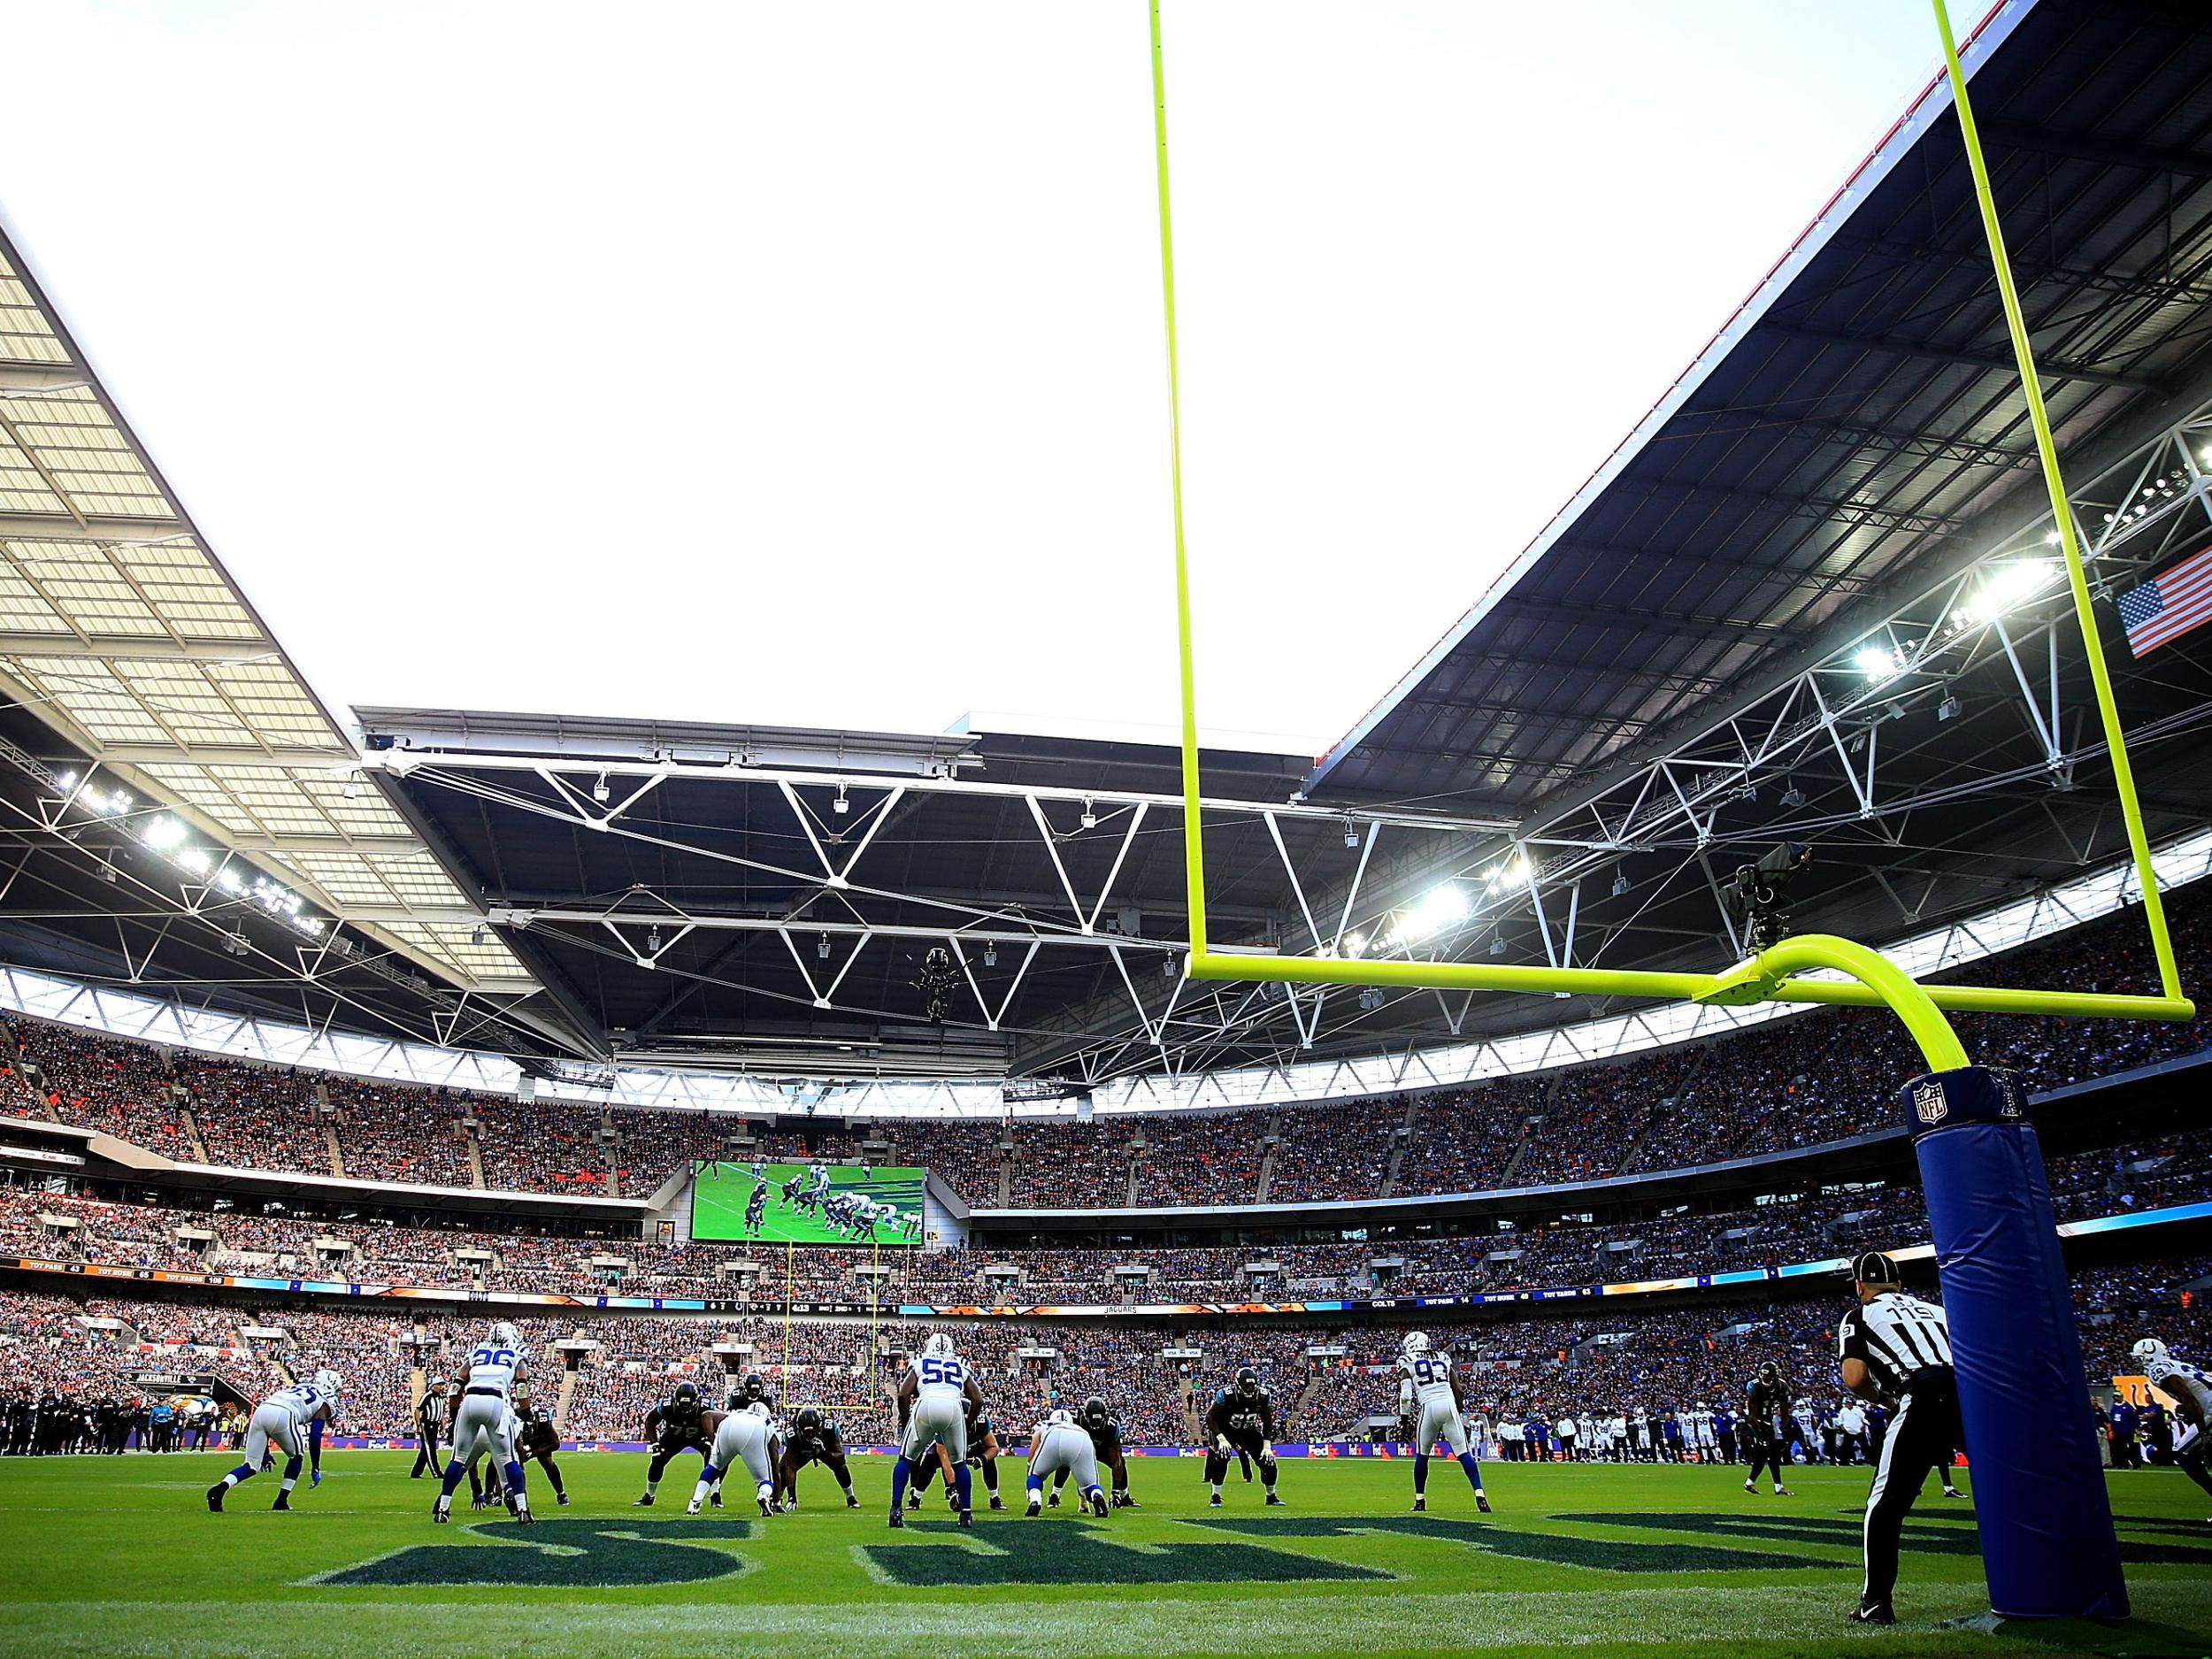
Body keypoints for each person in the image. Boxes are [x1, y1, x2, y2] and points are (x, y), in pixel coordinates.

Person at [1838, 1250, 1962, 1626]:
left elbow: (1855, 1377)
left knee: (1885, 1504)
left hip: (1922, 1395)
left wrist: (1886, 1398)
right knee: (2010, 1488)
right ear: (1900, 1284)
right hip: (1971, 1394)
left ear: (1861, 1286)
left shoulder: (1858, 1316)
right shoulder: (1939, 1309)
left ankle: (1875, 1602)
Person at [434, 1320, 532, 1525]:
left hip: (470, 1400)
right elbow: (521, 1384)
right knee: (508, 1458)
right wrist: (526, 1411)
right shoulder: (517, 1352)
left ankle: (443, 1509)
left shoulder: (477, 1351)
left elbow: (456, 1385)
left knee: (458, 1459)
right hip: (496, 1400)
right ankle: (523, 1510)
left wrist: (453, 1416)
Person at [205, 1370, 341, 1513]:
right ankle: (281, 1501)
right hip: (284, 1413)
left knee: (251, 1465)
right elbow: (315, 1434)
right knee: (297, 1456)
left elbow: (271, 1416)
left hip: (262, 1410)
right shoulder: (327, 1398)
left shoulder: (300, 1386)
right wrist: (315, 1467)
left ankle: (220, 1489)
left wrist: (265, 1450)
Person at [890, 1331, 984, 1527]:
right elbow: (977, 1399)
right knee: (959, 1464)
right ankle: (966, 1515)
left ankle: (896, 1510)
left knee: (906, 1459)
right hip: (953, 1406)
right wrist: (967, 1423)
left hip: (926, 1404)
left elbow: (903, 1395)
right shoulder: (961, 1364)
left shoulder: (920, 1361)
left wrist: (907, 1419)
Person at [1395, 1333, 1490, 1513]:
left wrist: (1405, 1421)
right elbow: (1458, 1389)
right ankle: (1480, 1495)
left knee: (1422, 1455)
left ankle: (1420, 1501)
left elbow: (1406, 1396)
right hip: (1448, 1405)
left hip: (1429, 1406)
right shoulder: (1443, 1356)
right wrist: (1458, 1411)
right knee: (1463, 1453)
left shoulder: (1406, 1360)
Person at [2133, 1338, 2212, 1516]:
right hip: (2209, 1406)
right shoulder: (2175, 1363)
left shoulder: (2157, 1369)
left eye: (2139, 1358)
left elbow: (2187, 1396)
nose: (2136, 1362)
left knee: (2181, 1452)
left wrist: (2204, 1432)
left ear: (2149, 1355)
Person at [1204, 1366, 1282, 1508]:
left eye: (1252, 1385)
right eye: (1246, 1386)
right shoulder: (1227, 1395)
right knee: (1222, 1457)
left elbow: (1267, 1420)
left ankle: (1271, 1496)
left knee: (1269, 1462)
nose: (1249, 1389)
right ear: (1238, 1384)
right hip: (1226, 1429)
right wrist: (1221, 1439)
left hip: (1247, 1430)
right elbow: (1210, 1417)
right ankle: (1215, 1497)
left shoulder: (1263, 1396)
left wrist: (1267, 1446)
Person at [688, 1398, 776, 1517]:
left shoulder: (738, 1412)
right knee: (765, 1480)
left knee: (713, 1468)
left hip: (728, 1424)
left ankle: (695, 1502)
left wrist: (713, 1441)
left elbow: (707, 1415)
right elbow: (774, 1451)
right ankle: (763, 1495)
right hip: (755, 1430)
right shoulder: (767, 1421)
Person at [634, 1380, 712, 1507]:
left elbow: (719, 1422)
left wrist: (711, 1438)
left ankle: (715, 1496)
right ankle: (649, 1496)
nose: (685, 1408)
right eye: (682, 1404)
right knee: (657, 1459)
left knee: (712, 1458)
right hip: (673, 1437)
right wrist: (655, 1444)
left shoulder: (706, 1406)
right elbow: (649, 1422)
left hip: (699, 1436)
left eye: (688, 1404)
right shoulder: (666, 1406)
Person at [774, 1404, 860, 1510]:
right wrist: (792, 1497)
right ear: (799, 1429)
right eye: (806, 1432)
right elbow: (791, 1467)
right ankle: (777, 1500)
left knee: (840, 1467)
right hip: (802, 1450)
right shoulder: (792, 1435)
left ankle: (850, 1497)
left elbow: (840, 1458)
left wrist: (823, 1452)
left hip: (824, 1448)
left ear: (819, 1426)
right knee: (782, 1468)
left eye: (812, 1431)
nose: (810, 1435)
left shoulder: (829, 1428)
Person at [1025, 1408, 1108, 1517]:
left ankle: (1035, 1500)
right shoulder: (1077, 1427)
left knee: (1036, 1476)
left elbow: (1032, 1451)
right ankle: (1096, 1494)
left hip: (1054, 1435)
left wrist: (1030, 1468)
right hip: (1082, 1438)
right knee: (1090, 1485)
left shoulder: (1045, 1425)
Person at [1742, 1363, 1792, 1496]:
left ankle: (1750, 1483)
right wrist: (1760, 1432)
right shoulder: (1754, 1386)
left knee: (1763, 1455)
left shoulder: (1781, 1385)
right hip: (1756, 1422)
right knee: (1771, 1453)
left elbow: (1785, 1410)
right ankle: (1777, 1486)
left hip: (1770, 1420)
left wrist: (1786, 1429)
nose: (1767, 1380)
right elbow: (1751, 1414)